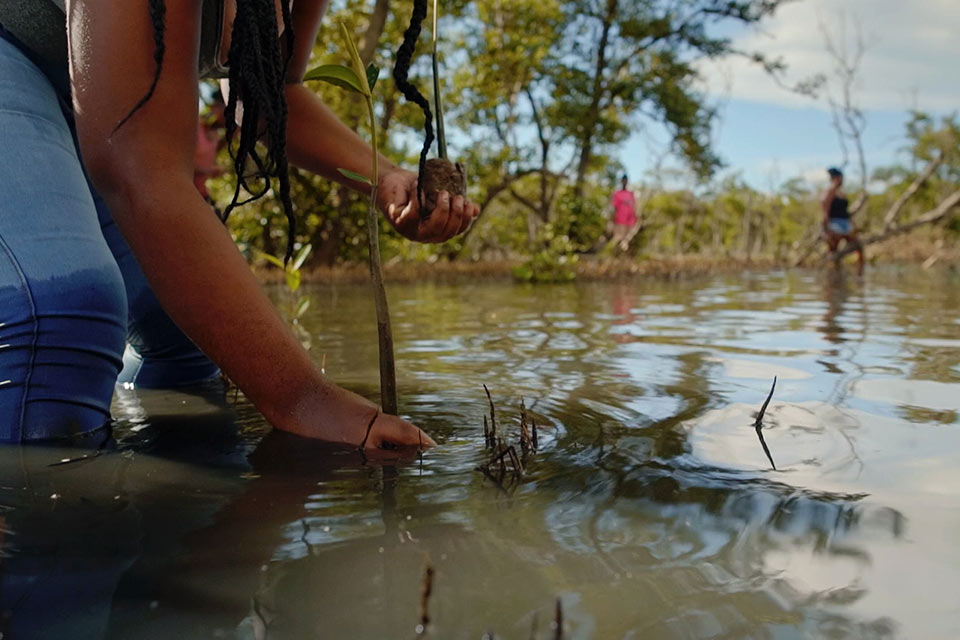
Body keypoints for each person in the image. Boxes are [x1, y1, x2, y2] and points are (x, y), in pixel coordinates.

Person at [0, 0, 480, 446]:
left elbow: (270, 92)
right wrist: (304, 401)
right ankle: (46, 526)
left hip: (90, 101)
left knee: (185, 339)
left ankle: (178, 511)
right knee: (56, 317)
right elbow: (136, 167)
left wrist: (387, 177)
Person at [821, 167, 864, 274]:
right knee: (833, 250)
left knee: (858, 246)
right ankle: (832, 275)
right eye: (841, 178)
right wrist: (827, 229)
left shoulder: (841, 193)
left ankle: (859, 274)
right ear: (836, 178)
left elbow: (846, 212)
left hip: (846, 223)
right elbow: (825, 209)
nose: (842, 180)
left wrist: (853, 225)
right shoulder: (829, 191)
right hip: (834, 223)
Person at [610, 175, 638, 249]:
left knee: (629, 232)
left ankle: (624, 243)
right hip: (620, 217)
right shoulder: (617, 193)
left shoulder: (631, 193)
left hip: (629, 216)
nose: (624, 181)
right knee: (619, 233)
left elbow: (634, 205)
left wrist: (635, 214)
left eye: (626, 180)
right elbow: (614, 206)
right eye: (623, 180)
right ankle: (619, 244)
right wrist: (614, 215)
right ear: (621, 181)